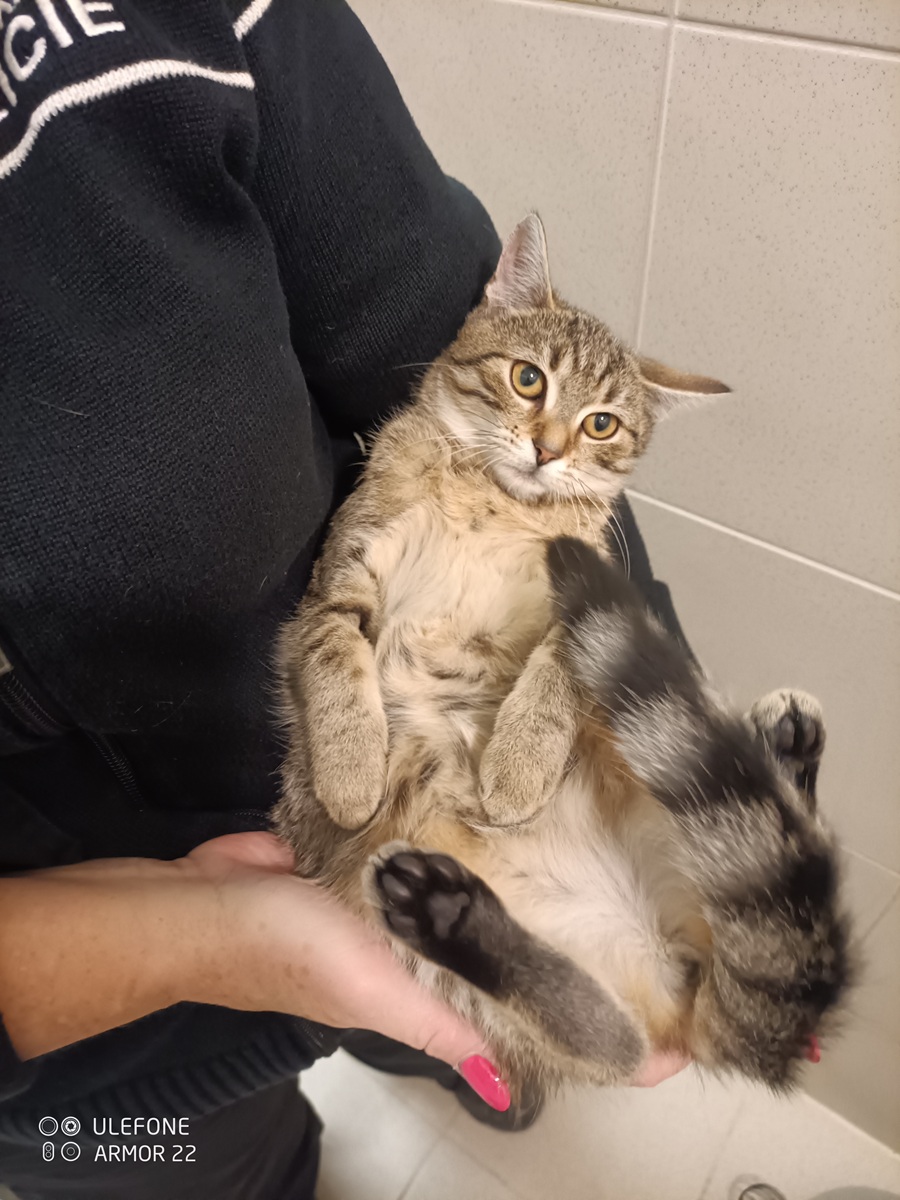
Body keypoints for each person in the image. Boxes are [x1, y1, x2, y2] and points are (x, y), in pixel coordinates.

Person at [0, 1, 690, 1195]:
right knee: (209, 1169)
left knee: (457, 995)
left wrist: (647, 705)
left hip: (412, 804)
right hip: (86, 1051)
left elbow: (425, 315)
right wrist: (205, 945)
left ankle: (410, 1039)